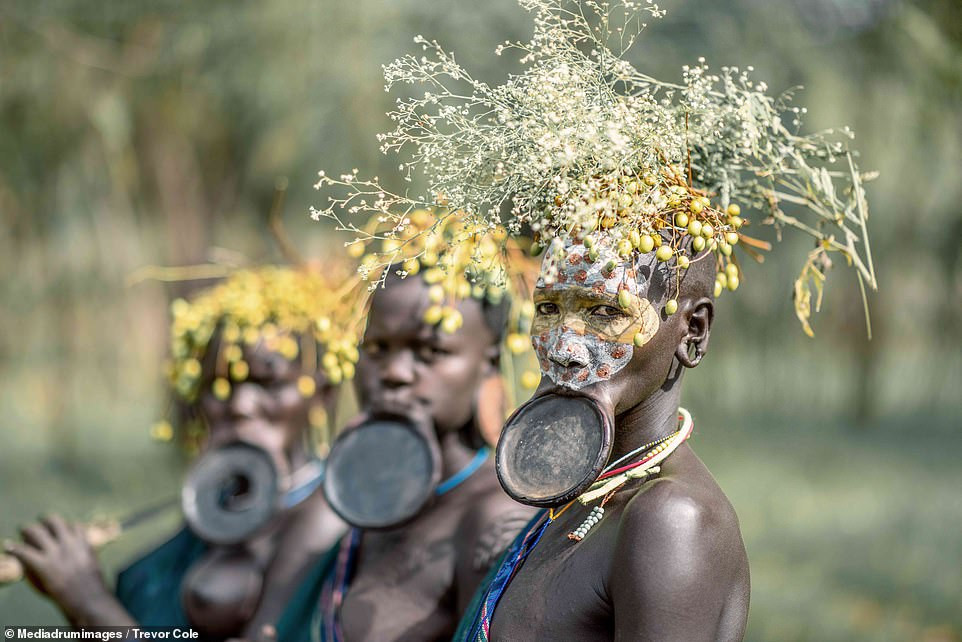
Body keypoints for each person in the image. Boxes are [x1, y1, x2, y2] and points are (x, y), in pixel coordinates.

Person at [311, 0, 876, 639]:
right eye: (550, 308)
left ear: (692, 333)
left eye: (605, 312)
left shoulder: (669, 520)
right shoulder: (576, 501)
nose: (568, 347)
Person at [5, 266, 356, 639]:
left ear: (323, 393)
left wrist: (90, 603)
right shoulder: (157, 568)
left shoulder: (347, 537)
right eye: (218, 386)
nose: (240, 405)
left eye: (267, 383)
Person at [275, 214, 538, 642]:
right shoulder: (343, 501)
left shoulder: (494, 518)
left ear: (488, 362)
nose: (394, 373)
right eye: (376, 348)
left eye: (430, 350)